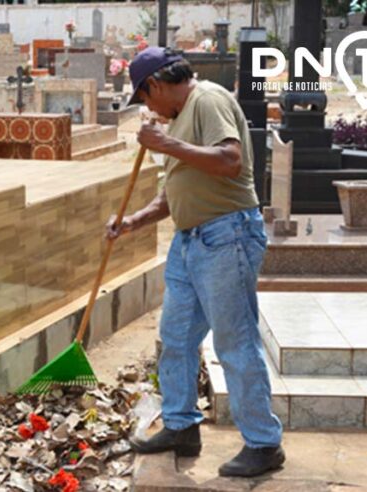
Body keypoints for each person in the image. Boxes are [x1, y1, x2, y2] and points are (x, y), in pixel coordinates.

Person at [106, 47, 284, 478]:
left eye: (144, 98)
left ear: (156, 84)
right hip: (190, 242)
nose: (148, 108)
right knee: (177, 337)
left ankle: (263, 444)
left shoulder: (208, 100)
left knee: (234, 341)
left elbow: (230, 160)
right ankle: (182, 425)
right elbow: (174, 191)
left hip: (227, 236)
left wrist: (166, 143)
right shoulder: (179, 117)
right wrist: (135, 220)